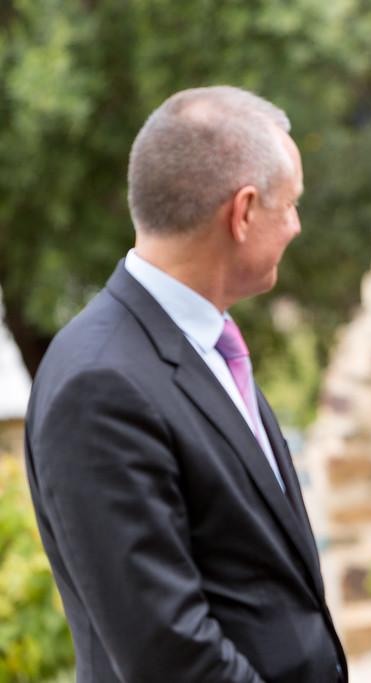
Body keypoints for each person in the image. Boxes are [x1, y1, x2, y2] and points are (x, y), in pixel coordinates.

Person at [24, 86, 346, 682]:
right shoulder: (100, 383)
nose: (298, 226)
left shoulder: (209, 345)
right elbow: (168, 653)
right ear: (243, 211)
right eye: (291, 204)